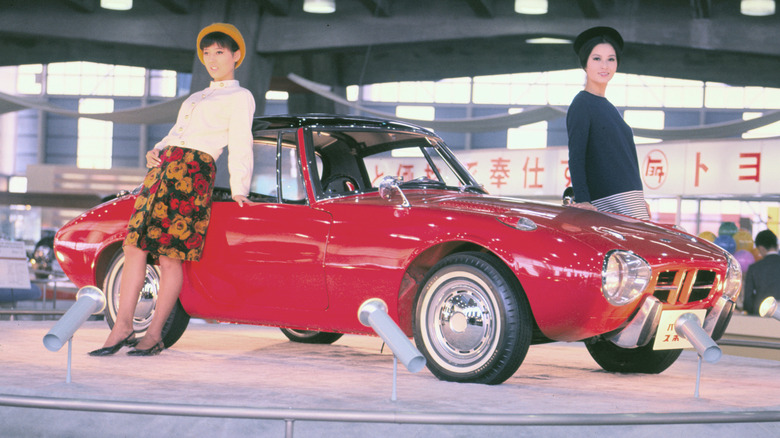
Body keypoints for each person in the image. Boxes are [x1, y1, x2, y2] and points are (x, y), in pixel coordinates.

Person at [89, 23, 255, 356]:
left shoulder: (240, 96)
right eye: (207, 53)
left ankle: (153, 334)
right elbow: (178, 132)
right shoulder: (196, 97)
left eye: (219, 52)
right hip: (163, 170)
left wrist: (240, 187)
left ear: (236, 55)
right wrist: (158, 148)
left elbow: (240, 143)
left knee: (169, 257)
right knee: (134, 247)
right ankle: (122, 327)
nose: (212, 59)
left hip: (192, 174)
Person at [566, 26, 650, 220]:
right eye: (597, 59)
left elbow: (627, 158)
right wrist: (583, 199)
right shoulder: (582, 103)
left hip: (630, 198)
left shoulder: (609, 107)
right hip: (608, 201)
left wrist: (640, 197)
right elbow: (576, 155)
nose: (604, 66)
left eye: (610, 59)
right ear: (585, 63)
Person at [742, 229, 780, 316]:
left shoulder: (754, 268)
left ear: (761, 248)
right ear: (776, 245)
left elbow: (748, 300)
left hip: (760, 317)